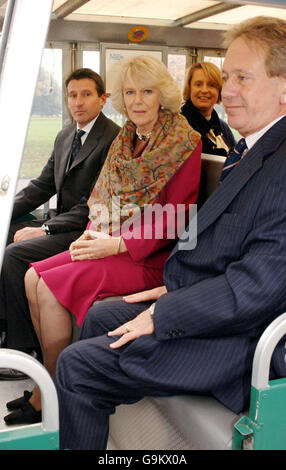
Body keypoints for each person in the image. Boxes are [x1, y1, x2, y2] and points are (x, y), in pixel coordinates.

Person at [51, 16, 286, 450]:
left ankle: (87, 393)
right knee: (102, 315)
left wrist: (166, 310)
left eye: (242, 78)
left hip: (243, 341)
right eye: (226, 74)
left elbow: (255, 288)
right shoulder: (249, 147)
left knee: (77, 365)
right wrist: (167, 291)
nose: (225, 90)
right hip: (208, 300)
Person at [3, 55, 201, 425]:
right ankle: (49, 383)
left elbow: (178, 217)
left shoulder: (183, 142)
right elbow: (105, 200)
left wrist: (119, 244)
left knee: (47, 288)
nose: (137, 100)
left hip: (149, 259)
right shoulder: (127, 138)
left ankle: (54, 393)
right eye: (130, 92)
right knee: (31, 275)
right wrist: (99, 234)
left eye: (147, 91)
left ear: (163, 95)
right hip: (111, 242)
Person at [0, 68, 120, 370]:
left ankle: (24, 351)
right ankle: (6, 325)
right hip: (61, 221)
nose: (78, 102)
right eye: (72, 95)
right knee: (6, 233)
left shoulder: (113, 139)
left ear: (102, 99)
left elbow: (94, 204)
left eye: (86, 95)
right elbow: (42, 185)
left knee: (15, 255)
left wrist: (45, 228)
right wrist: (4, 213)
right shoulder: (66, 134)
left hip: (86, 230)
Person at [181, 61, 236, 156]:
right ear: (189, 88)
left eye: (211, 85)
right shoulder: (178, 126)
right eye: (198, 84)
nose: (204, 90)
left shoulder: (223, 128)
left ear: (219, 90)